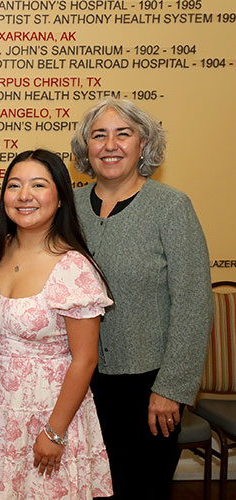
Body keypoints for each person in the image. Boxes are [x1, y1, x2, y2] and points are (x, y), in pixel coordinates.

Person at [70, 98, 212, 498]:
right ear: (86, 147)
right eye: (99, 135)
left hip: (149, 390)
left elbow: (193, 304)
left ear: (143, 144)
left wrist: (172, 388)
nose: (110, 145)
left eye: (123, 134)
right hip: (78, 384)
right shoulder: (69, 207)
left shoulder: (171, 207)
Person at [0, 150, 112, 499]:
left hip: (48, 415)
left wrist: (55, 432)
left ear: (59, 199)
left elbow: (85, 359)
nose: (24, 195)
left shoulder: (73, 267)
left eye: (38, 185)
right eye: (14, 185)